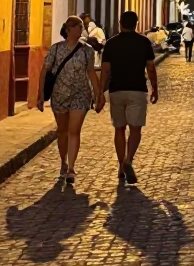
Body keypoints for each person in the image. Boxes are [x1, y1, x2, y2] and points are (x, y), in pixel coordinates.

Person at [36, 15, 101, 184]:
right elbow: (45, 71)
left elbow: (91, 73)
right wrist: (40, 94)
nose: (82, 29)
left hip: (80, 94)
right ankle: (63, 161)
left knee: (74, 130)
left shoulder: (87, 50)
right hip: (59, 95)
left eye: (81, 26)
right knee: (62, 131)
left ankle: (71, 168)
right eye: (78, 26)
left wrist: (98, 94)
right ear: (68, 29)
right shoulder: (56, 49)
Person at [100, 10, 158, 184]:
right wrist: (154, 88)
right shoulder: (144, 42)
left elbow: (105, 70)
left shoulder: (110, 44)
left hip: (116, 90)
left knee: (119, 129)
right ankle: (128, 160)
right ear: (136, 24)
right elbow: (150, 68)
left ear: (120, 23)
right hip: (137, 90)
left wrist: (100, 92)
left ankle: (120, 166)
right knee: (135, 129)